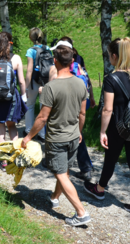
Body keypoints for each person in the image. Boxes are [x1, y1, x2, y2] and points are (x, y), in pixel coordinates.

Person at [22, 39, 91, 227]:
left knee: (60, 173)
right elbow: (83, 113)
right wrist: (79, 131)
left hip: (57, 139)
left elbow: (42, 118)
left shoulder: (51, 87)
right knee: (65, 170)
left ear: (55, 61)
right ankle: (54, 196)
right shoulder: (80, 83)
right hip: (73, 137)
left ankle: (81, 212)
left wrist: (28, 137)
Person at [84, 37, 130, 218]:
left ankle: (99, 189)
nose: (109, 58)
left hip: (118, 127)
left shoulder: (111, 79)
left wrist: (102, 131)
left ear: (115, 56)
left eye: (109, 55)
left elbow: (108, 109)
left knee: (111, 158)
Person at [0, 32, 27, 170]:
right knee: (12, 127)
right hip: (11, 99)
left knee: (0, 130)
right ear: (9, 44)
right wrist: (24, 96)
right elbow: (21, 81)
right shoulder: (16, 59)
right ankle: (15, 158)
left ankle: (3, 161)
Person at [59, 36, 95, 181]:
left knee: (75, 133)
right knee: (75, 132)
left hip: (72, 101)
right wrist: (90, 96)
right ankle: (83, 166)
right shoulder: (78, 58)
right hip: (82, 98)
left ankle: (83, 167)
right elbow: (87, 78)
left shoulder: (66, 60)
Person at [24, 27, 51, 139]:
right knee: (43, 107)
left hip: (34, 81)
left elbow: (29, 70)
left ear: (31, 37)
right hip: (46, 80)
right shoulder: (48, 48)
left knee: (29, 105)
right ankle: (42, 133)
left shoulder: (31, 50)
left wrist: (25, 87)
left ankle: (29, 130)